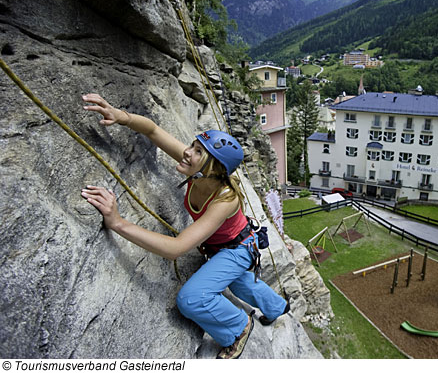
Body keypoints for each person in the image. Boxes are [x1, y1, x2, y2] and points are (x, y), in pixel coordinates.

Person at [80, 94, 289, 359]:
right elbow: (154, 130)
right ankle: (277, 307)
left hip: (237, 249)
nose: (188, 152)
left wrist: (118, 223)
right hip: (227, 245)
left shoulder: (225, 199)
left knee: (192, 299)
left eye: (198, 151)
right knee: (238, 284)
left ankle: (237, 327)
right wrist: (123, 117)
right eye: (193, 145)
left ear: (214, 168)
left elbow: (176, 248)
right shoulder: (199, 168)